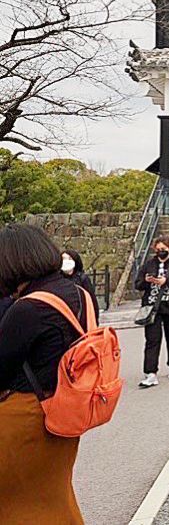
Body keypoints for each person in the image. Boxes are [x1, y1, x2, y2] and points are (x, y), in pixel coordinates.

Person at [0, 223, 89, 525]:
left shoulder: (27, 308)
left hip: (24, 418)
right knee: (53, 497)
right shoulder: (78, 294)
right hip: (63, 414)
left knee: (16, 504)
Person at [136, 235, 169, 388]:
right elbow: (137, 284)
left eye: (163, 250)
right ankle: (150, 373)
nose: (160, 253)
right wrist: (147, 281)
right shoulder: (149, 265)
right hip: (153, 308)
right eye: (158, 250)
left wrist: (167, 281)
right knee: (152, 339)